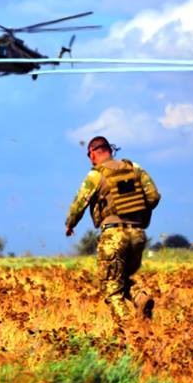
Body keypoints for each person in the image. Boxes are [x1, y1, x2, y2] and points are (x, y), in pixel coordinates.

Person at [65, 136, 160, 324]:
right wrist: (138, 214)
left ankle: (128, 328)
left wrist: (70, 224)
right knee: (122, 277)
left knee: (111, 285)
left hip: (113, 236)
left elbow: (79, 204)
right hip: (138, 236)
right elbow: (153, 196)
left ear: (92, 154)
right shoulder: (134, 168)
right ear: (110, 150)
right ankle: (141, 298)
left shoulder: (95, 175)